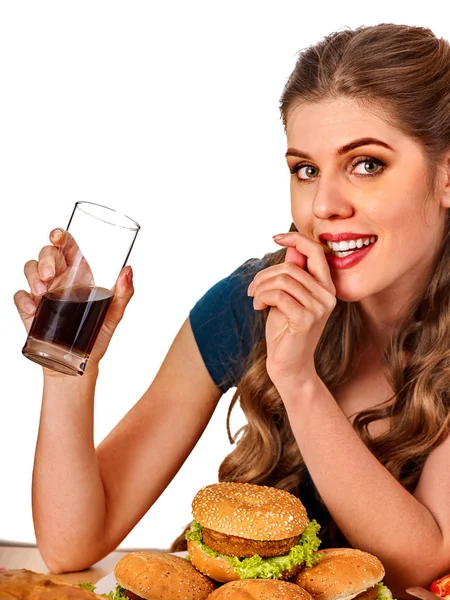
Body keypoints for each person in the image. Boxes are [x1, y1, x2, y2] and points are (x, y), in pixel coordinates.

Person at [13, 22, 450, 596]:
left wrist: (298, 381)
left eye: (366, 164)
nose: (323, 205)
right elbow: (71, 542)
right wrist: (70, 367)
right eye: (305, 169)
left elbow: (423, 562)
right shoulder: (252, 301)